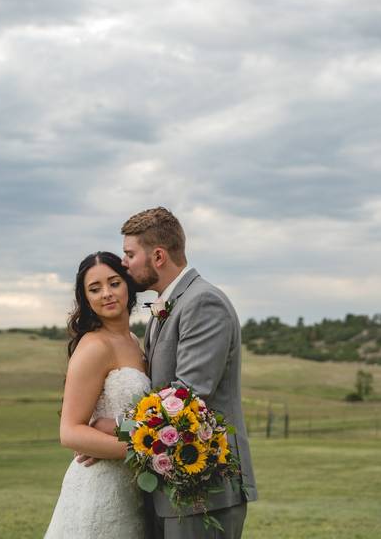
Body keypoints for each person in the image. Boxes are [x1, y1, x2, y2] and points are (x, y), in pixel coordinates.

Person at [118, 206, 257, 538]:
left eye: (130, 254)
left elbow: (186, 397)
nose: (124, 263)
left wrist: (112, 432)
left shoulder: (203, 303)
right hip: (173, 489)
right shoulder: (167, 305)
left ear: (159, 256)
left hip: (205, 491)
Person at [44, 251, 151, 538]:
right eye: (95, 288)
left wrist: (123, 431)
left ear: (128, 284)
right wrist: (145, 451)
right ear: (86, 299)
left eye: (114, 283)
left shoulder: (133, 341)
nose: (107, 294)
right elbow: (70, 433)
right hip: (100, 488)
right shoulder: (94, 346)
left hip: (133, 490)